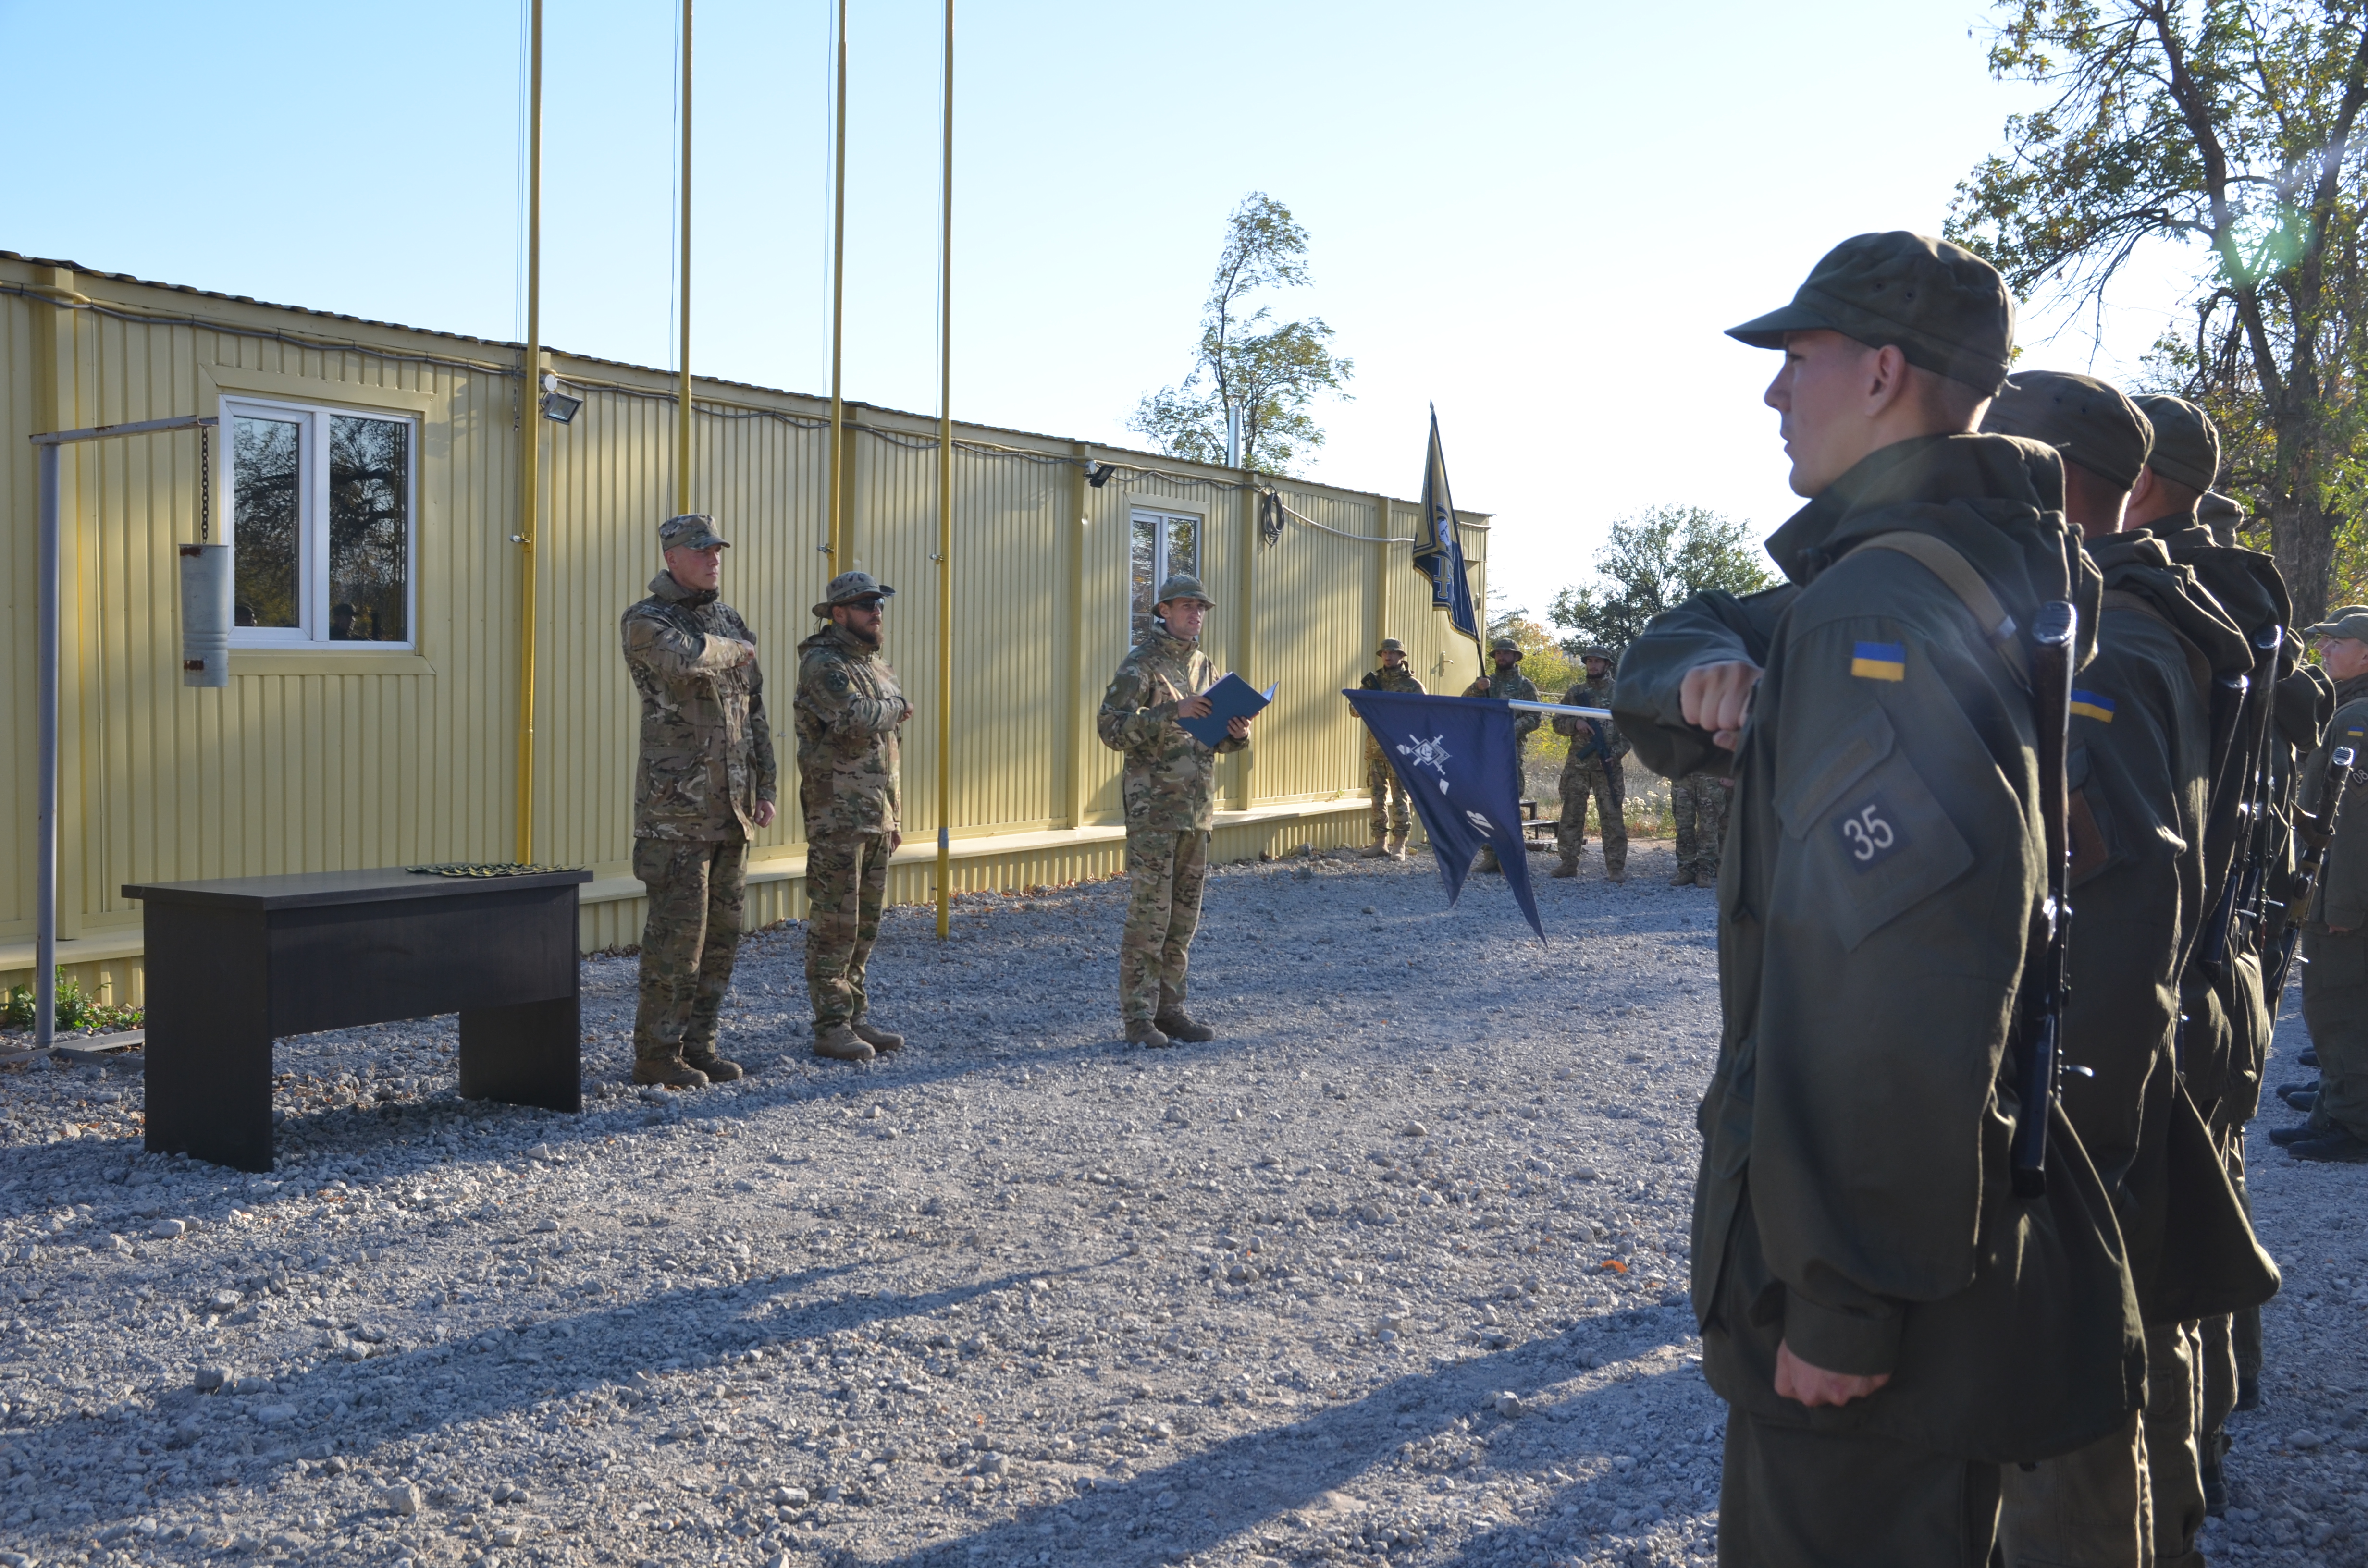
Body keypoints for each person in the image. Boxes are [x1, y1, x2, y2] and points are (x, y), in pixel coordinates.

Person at [1612, 232, 2141, 1566]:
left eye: (1799, 358)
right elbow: (1684, 634)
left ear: (1883, 373)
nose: (1774, 392)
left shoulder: (1876, 613)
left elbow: (1900, 994)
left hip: (1875, 1292)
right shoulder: (1963, 562)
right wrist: (1702, 669)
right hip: (1932, 1233)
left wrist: (1843, 1303)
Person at [1980, 372, 2267, 1568]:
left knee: (2070, 1379)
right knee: (2134, 1334)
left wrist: (2063, 1146)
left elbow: (2113, 906)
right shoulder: (2150, 618)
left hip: (2092, 1066)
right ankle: (2177, 1512)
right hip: (2157, 1029)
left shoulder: (2106, 647)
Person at [2126, 394, 2313, 1488]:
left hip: (2187, 952)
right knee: (2209, 1180)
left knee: (2156, 1240)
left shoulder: (2179, 601)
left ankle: (2177, 1478)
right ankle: (2214, 1414)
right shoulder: (2241, 598)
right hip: (2232, 943)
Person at [620, 514, 778, 1089]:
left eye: (716, 550)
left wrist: (766, 786)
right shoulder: (646, 619)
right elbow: (684, 658)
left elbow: (753, 709)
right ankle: (656, 1055)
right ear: (672, 558)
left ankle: (699, 1046)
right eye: (701, 551)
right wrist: (735, 649)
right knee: (676, 942)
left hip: (731, 809)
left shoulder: (727, 619)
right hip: (676, 814)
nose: (713, 559)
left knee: (720, 940)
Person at [1096, 573, 1253, 1048]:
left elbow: (1213, 738)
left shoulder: (1205, 666)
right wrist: (1171, 712)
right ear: (1163, 610)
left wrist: (1237, 734)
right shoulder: (1140, 664)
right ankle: (1138, 1019)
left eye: (1201, 608)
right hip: (1154, 812)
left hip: (1196, 810)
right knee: (1150, 917)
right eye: (1187, 606)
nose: (1196, 614)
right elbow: (1110, 729)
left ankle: (1170, 1010)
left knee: (1183, 919)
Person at [794, 570, 913, 1064]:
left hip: (874, 815)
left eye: (879, 604)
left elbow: (889, 746)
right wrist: (896, 707)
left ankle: (855, 1014)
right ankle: (831, 1026)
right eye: (865, 605)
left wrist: (894, 815)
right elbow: (853, 717)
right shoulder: (824, 663)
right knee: (835, 925)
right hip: (837, 814)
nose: (876, 612)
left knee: (865, 925)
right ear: (839, 613)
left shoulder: (875, 666)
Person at [2284, 608, 2368, 1163]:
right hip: (2338, 883)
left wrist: (2338, 904)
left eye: (2336, 642)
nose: (2323, 651)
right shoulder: (2347, 708)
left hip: (2342, 891)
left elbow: (2354, 824)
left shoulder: (2357, 717)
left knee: (2337, 1006)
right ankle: (2332, 1108)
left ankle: (2353, 1125)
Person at [1550, 647, 1630, 882]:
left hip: (1608, 765)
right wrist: (1575, 724)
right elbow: (1557, 723)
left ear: (1607, 665)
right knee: (1571, 814)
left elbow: (1633, 731)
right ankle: (1568, 863)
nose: (1593, 665)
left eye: (1598, 661)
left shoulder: (1621, 693)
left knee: (1612, 816)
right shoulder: (1576, 693)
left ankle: (1616, 867)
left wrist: (1615, 754)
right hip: (1578, 765)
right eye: (1590, 661)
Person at [1462, 637, 1541, 873]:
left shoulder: (1526, 686)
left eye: (1506, 653)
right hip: (1486, 752)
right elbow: (1463, 704)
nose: (1501, 657)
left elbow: (1535, 718)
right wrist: (1476, 689)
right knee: (1487, 805)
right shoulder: (1486, 683)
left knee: (1509, 804)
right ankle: (1490, 855)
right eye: (1498, 654)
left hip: (1510, 753)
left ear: (1516, 657)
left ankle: (1509, 858)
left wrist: (1507, 729)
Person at [1359, 637, 1426, 859]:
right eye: (1385, 653)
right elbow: (1354, 709)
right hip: (1376, 750)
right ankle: (1380, 842)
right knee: (1377, 798)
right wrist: (1369, 704)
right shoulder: (1373, 682)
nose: (1388, 657)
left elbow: (1425, 715)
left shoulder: (1412, 686)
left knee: (1399, 798)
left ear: (1401, 656)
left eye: (1392, 653)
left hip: (1400, 751)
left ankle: (1400, 843)